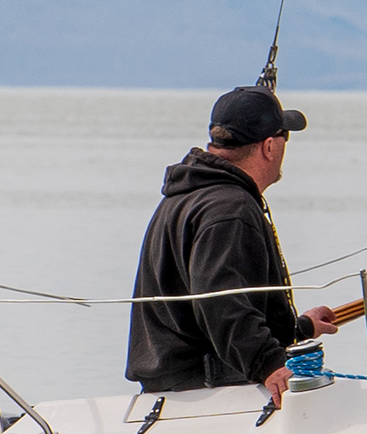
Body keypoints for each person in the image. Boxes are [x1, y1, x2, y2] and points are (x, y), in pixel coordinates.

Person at [127, 85, 347, 414]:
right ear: (269, 146)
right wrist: (270, 365)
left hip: (171, 385)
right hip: (205, 389)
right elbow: (220, 303)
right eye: (285, 137)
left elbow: (223, 301)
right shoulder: (229, 209)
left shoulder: (186, 194)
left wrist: (298, 328)